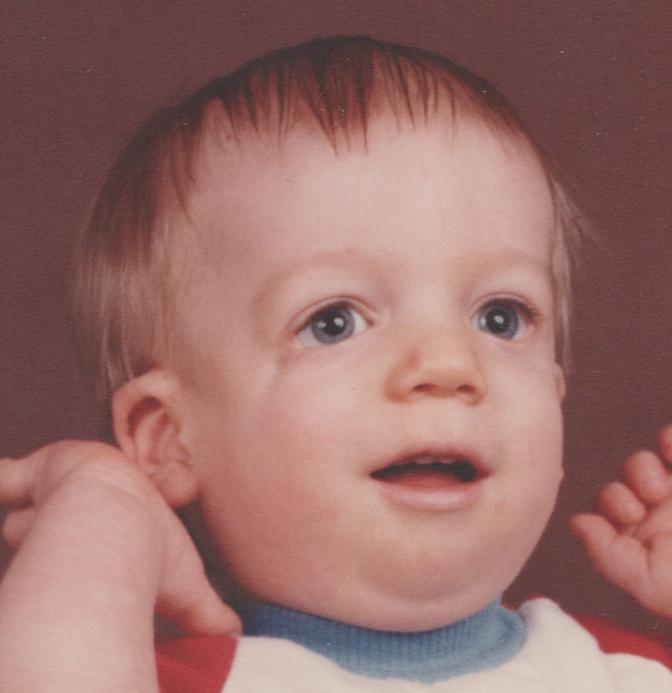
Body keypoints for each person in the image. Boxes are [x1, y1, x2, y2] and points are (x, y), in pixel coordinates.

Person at [1, 36, 671, 692]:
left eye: (500, 318)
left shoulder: (625, 671)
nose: (447, 362)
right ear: (168, 435)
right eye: (333, 321)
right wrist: (104, 504)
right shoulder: (173, 678)